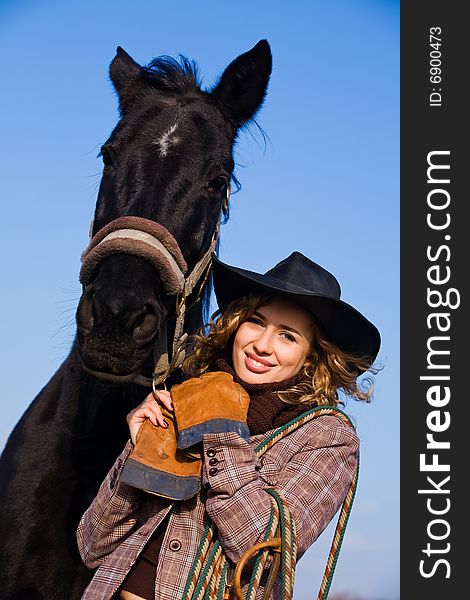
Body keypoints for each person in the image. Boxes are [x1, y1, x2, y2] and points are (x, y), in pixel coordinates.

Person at [76, 251, 381, 600]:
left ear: (311, 357)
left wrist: (221, 431)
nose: (263, 346)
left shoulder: (327, 437)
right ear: (236, 324)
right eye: (256, 322)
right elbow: (92, 544)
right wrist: (139, 448)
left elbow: (262, 552)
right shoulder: (186, 397)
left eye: (288, 336)